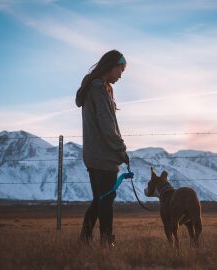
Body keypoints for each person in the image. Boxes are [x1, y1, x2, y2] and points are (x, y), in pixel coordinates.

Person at [75, 50, 129, 247]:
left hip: (92, 155)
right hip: (104, 156)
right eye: (120, 70)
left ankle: (85, 238)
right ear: (112, 66)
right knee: (106, 200)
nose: (121, 75)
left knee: (100, 199)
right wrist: (121, 151)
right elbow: (108, 128)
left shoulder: (93, 89)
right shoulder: (99, 91)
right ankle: (107, 241)